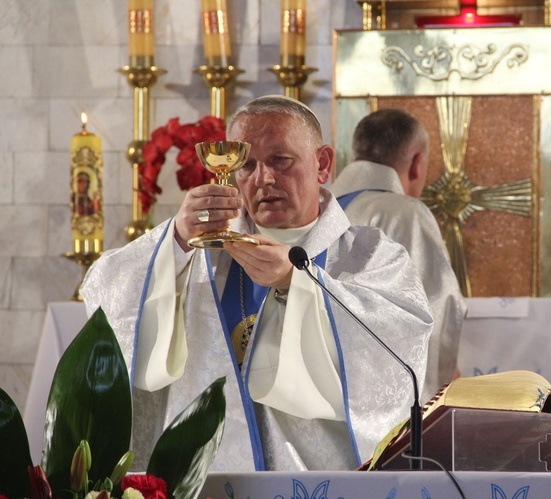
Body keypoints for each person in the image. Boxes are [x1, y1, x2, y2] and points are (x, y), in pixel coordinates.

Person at [80, 96, 433, 472]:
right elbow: (104, 295)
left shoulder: (372, 255)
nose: (263, 178)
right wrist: (177, 239)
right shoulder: (199, 250)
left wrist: (295, 283)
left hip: (320, 482)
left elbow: (397, 357)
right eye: (246, 164)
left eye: (281, 160)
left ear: (323, 164)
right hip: (207, 483)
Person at [330, 108, 466, 398]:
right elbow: (438, 305)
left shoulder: (316, 210)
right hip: (381, 396)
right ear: (417, 163)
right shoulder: (406, 214)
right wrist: (435, 387)